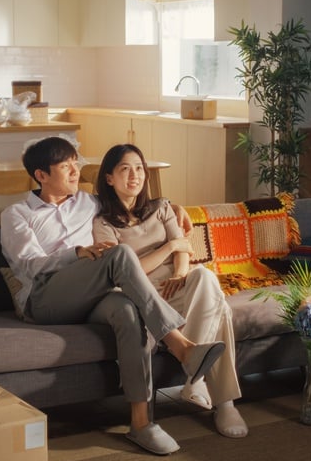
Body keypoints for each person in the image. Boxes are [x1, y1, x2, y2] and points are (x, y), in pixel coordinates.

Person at [0, 136, 224, 456]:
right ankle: (181, 346)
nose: (76, 172)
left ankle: (141, 423)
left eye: (76, 164)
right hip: (46, 298)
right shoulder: (17, 214)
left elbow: (128, 199)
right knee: (120, 255)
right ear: (41, 175)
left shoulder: (88, 203)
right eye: (66, 167)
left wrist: (172, 207)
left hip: (92, 296)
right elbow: (29, 264)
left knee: (128, 311)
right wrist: (77, 252)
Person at [92, 144, 249, 439]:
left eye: (139, 168)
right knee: (221, 309)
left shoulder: (162, 207)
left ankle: (196, 380)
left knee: (203, 276)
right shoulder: (102, 223)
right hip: (139, 294)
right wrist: (169, 247)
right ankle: (224, 402)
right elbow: (127, 269)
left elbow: (184, 247)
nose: (134, 176)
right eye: (125, 169)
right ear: (109, 178)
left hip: (175, 284)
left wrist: (180, 271)